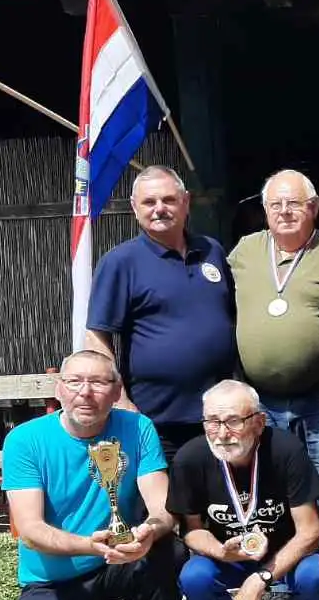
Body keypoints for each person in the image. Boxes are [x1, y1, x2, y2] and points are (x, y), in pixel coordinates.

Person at [2, 349, 180, 600]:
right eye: (75, 381)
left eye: (99, 382)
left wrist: (149, 531)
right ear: (59, 389)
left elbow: (163, 509)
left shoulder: (137, 428)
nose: (86, 392)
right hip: (57, 577)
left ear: (117, 392)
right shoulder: (24, 441)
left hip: (122, 559)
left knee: (170, 550)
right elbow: (31, 529)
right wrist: (89, 545)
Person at [169, 380, 319, 600]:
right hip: (229, 555)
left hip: (285, 555)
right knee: (193, 576)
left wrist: (258, 581)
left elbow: (310, 532)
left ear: (259, 422)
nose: (223, 433)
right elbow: (191, 531)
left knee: (317, 572)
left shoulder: (285, 449)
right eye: (212, 422)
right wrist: (219, 551)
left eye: (233, 421)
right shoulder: (190, 457)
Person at [85, 166, 238, 462]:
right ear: (134, 207)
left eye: (168, 200)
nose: (159, 209)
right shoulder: (120, 262)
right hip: (156, 419)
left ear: (186, 202)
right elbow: (97, 334)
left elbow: (229, 317)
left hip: (219, 416)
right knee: (164, 505)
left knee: (219, 503)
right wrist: (122, 402)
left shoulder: (212, 251)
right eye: (149, 202)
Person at [226, 169, 319, 490]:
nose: (284, 211)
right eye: (275, 204)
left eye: (294, 203)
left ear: (313, 207)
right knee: (270, 483)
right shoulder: (244, 252)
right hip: (260, 402)